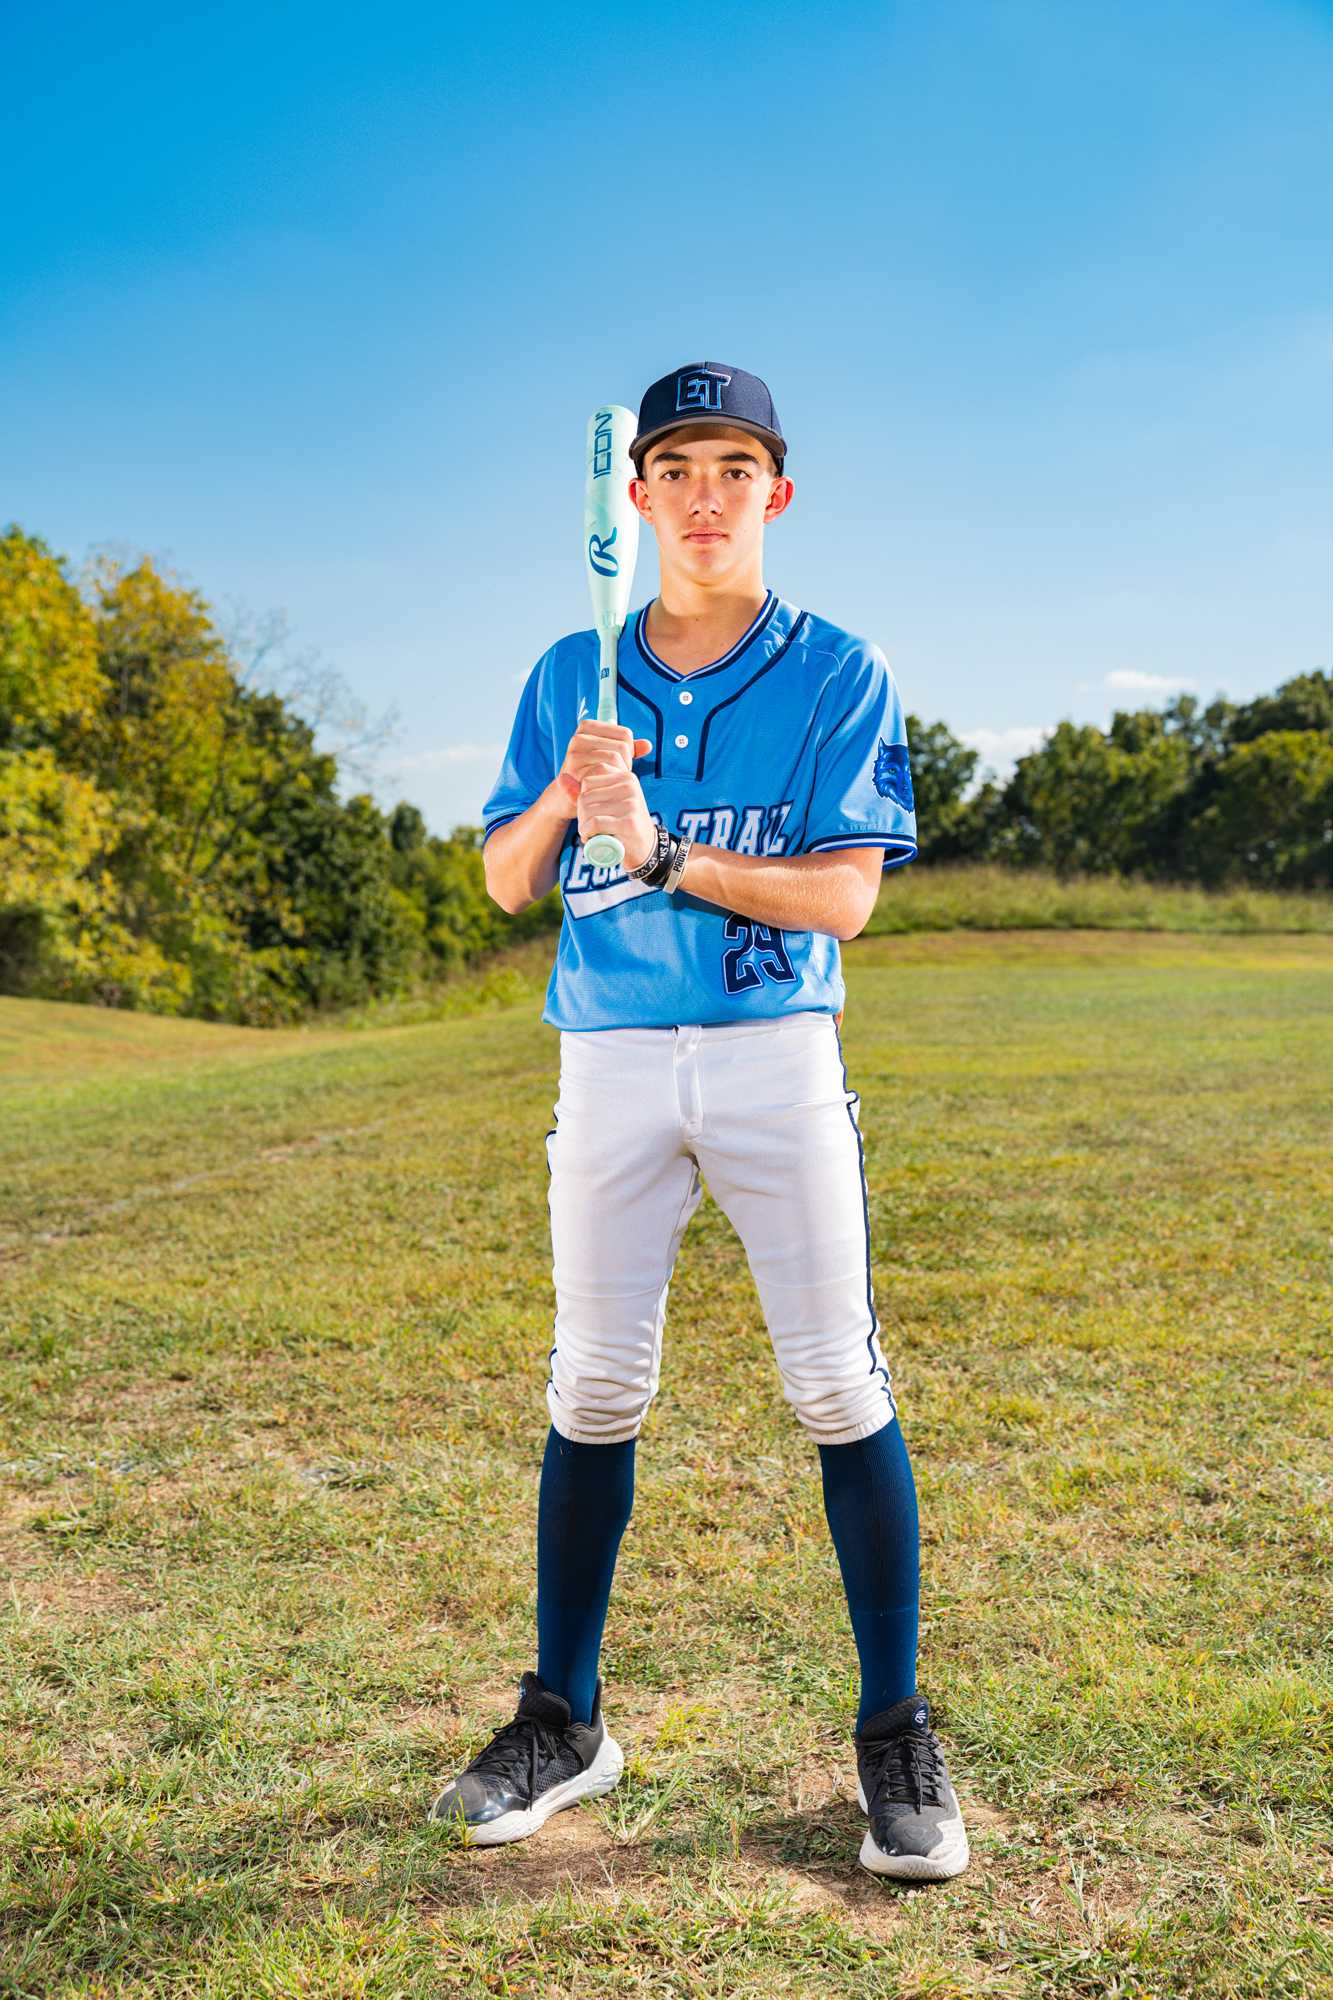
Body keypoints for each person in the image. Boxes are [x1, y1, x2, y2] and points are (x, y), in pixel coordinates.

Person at [429, 363, 968, 1881]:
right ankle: (564, 1720)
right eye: (676, 468)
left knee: (836, 1382)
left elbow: (845, 899)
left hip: (770, 1052)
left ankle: (892, 1728)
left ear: (774, 493)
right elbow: (506, 881)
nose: (705, 495)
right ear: (639, 498)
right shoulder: (571, 669)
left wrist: (663, 854)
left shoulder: (838, 668)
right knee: (595, 1385)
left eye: (734, 467)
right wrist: (565, 796)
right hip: (605, 1057)